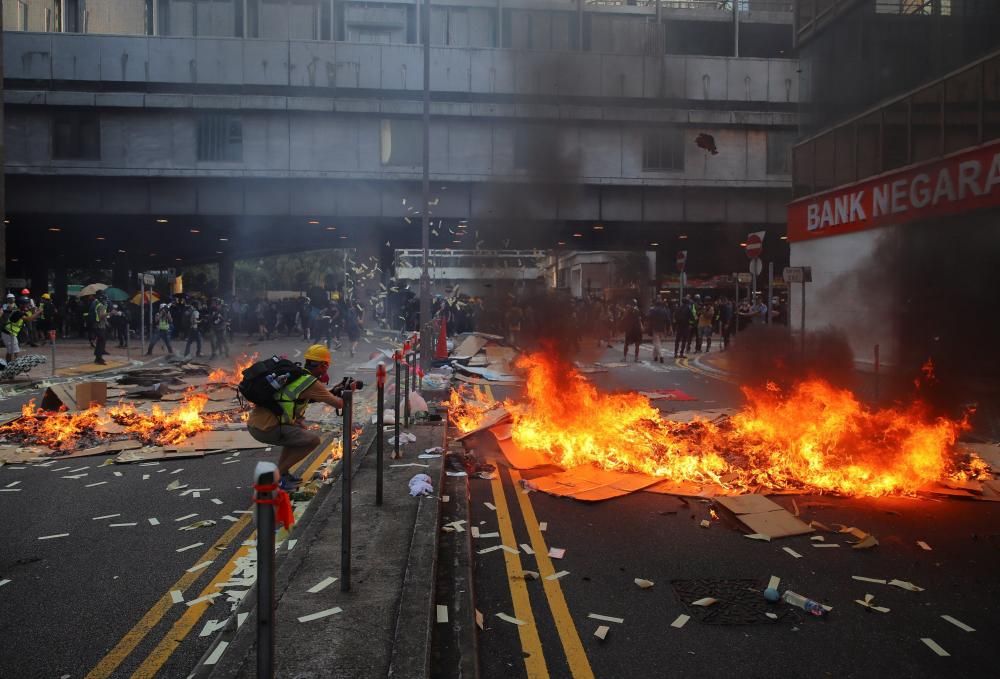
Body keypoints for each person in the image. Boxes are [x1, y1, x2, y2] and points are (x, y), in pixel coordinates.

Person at [246, 344, 348, 490]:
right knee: (312, 441)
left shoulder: (297, 374)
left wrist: (336, 389)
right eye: (327, 365)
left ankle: (284, 474)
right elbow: (339, 404)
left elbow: (308, 397)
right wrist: (350, 391)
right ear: (323, 365)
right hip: (268, 428)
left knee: (295, 435)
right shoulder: (311, 383)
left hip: (257, 424)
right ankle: (275, 476)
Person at [2, 297, 38, 363]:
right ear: (21, 305)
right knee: (15, 352)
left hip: (10, 333)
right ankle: (12, 367)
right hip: (8, 333)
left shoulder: (22, 312)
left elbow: (31, 314)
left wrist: (33, 309)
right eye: (26, 304)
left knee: (11, 352)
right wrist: (38, 312)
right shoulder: (18, 312)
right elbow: (29, 319)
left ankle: (8, 366)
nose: (28, 305)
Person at [648, 297, 670, 363]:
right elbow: (668, 320)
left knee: (656, 342)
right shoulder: (664, 310)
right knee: (657, 342)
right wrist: (668, 328)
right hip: (662, 328)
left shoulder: (653, 310)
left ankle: (661, 356)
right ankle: (655, 356)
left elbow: (648, 317)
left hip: (655, 328)